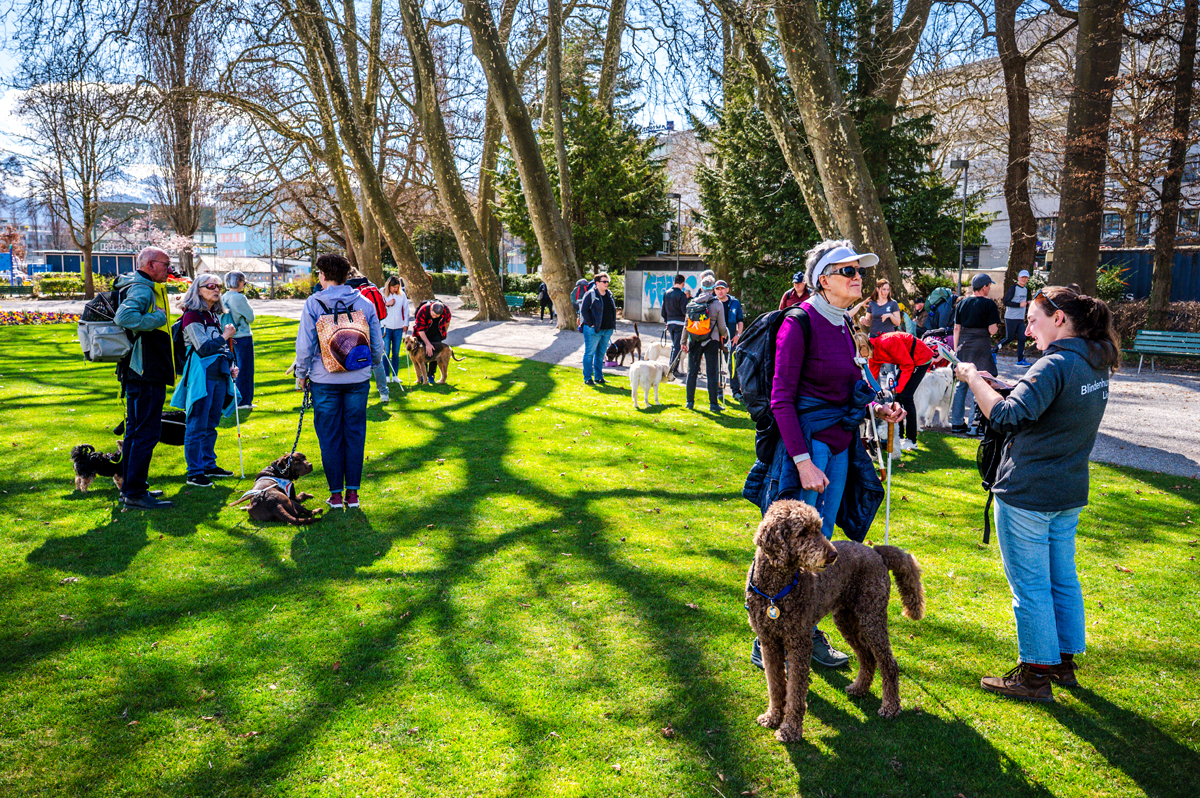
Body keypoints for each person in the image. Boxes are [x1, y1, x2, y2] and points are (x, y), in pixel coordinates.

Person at [954, 286, 1118, 702]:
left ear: (1058, 318)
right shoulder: (1095, 361)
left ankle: (1035, 674)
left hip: (1028, 492)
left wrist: (974, 380)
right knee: (1061, 579)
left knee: (1031, 586)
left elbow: (1008, 416)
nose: (1027, 331)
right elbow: (1050, 403)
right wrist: (1007, 383)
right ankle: (1062, 661)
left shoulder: (1056, 364)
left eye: (1033, 320)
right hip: (1067, 491)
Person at [750, 239, 905, 669]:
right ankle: (765, 640)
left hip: (839, 446)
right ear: (823, 280)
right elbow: (781, 400)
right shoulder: (798, 324)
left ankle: (806, 629)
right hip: (809, 447)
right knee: (786, 547)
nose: (859, 279)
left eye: (859, 271)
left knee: (819, 545)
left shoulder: (842, 323)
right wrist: (802, 461)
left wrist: (880, 406)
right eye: (848, 272)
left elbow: (849, 385)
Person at [294, 253, 384, 510]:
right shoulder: (365, 303)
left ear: (323, 275)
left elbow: (306, 343)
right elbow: (376, 341)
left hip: (324, 380)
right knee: (355, 434)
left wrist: (302, 373)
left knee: (330, 435)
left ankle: (335, 494)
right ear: (347, 276)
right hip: (358, 378)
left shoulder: (314, 303)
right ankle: (352, 494)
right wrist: (373, 365)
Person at [113, 247, 178, 510]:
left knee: (135, 432)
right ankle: (136, 493)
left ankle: (130, 487)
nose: (169, 269)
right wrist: (156, 318)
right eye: (166, 264)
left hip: (137, 370)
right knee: (146, 433)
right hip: (145, 371)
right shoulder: (142, 288)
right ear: (150, 265)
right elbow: (124, 317)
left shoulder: (141, 285)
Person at [174, 273, 239, 488]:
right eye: (210, 285)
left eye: (218, 286)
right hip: (201, 376)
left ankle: (209, 464)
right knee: (197, 423)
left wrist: (230, 365)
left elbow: (218, 348)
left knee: (212, 423)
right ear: (198, 290)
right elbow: (203, 348)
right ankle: (194, 472)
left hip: (218, 374)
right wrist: (225, 336)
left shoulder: (213, 316)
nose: (216, 289)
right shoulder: (192, 315)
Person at [858, 331, 936, 451]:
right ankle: (900, 436)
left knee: (906, 396)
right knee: (898, 398)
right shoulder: (872, 353)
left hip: (920, 358)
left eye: (860, 353)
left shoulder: (887, 342)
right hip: (908, 361)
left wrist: (897, 388)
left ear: (864, 347)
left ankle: (911, 440)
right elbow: (872, 376)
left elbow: (908, 365)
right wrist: (866, 392)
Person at [950, 273, 1001, 434]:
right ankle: (974, 425)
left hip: (963, 345)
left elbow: (956, 328)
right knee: (979, 383)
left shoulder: (962, 303)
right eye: (989, 286)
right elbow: (992, 330)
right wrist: (995, 328)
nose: (990, 288)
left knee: (961, 384)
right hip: (981, 345)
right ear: (984, 287)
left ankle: (957, 423)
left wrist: (957, 350)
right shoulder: (989, 305)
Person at [682, 274, 728, 412]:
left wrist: (683, 341)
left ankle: (690, 402)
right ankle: (713, 404)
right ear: (713, 289)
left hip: (694, 340)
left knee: (692, 371)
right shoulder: (717, 304)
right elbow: (721, 327)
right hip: (711, 341)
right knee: (712, 372)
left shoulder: (692, 303)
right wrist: (725, 335)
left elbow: (686, 325)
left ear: (701, 288)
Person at [221, 271, 255, 410]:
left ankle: (232, 398)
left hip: (229, 336)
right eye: (243, 282)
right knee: (245, 368)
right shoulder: (239, 298)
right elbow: (250, 317)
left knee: (233, 367)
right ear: (239, 281)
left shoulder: (224, 296)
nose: (244, 284)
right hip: (242, 335)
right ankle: (244, 401)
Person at [580, 272, 617, 385]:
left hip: (607, 329)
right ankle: (587, 378)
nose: (606, 284)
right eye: (604, 281)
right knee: (589, 354)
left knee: (600, 354)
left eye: (607, 281)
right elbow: (584, 310)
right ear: (597, 283)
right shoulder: (591, 294)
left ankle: (599, 377)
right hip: (593, 330)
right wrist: (591, 324)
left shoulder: (609, 294)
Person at [996, 269, 1033, 366]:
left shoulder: (1025, 289)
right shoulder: (1013, 288)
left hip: (1020, 319)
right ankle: (994, 351)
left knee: (1022, 338)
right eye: (1022, 277)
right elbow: (1006, 302)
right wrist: (1019, 304)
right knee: (1009, 338)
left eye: (1026, 278)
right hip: (1011, 317)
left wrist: (1028, 303)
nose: (1024, 279)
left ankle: (1020, 360)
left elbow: (1023, 303)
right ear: (1018, 278)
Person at [715, 280, 745, 400]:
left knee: (732, 366)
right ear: (714, 291)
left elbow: (740, 320)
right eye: (717, 289)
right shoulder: (713, 302)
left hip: (731, 339)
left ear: (727, 290)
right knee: (716, 366)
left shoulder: (734, 302)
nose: (720, 291)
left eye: (722, 288)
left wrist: (738, 335)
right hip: (716, 339)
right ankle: (717, 391)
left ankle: (736, 391)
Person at [381, 276, 411, 383]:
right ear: (388, 285)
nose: (395, 289)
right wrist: (387, 304)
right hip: (386, 327)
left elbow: (406, 310)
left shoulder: (401, 295)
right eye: (393, 287)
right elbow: (378, 308)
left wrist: (405, 324)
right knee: (386, 352)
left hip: (398, 328)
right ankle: (386, 376)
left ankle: (395, 376)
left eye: (397, 287)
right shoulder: (381, 292)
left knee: (396, 353)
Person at [413, 300, 452, 381]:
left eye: (437, 316)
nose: (435, 317)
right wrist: (427, 344)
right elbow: (420, 329)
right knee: (422, 354)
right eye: (433, 315)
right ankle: (422, 376)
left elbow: (447, 322)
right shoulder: (423, 310)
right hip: (423, 332)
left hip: (436, 332)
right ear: (431, 308)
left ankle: (431, 375)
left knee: (434, 353)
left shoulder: (446, 311)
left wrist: (444, 332)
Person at [661, 273, 689, 377]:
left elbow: (663, 311)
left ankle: (672, 368)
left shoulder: (666, 293)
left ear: (674, 282)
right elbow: (684, 311)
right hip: (680, 324)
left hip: (670, 323)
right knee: (677, 347)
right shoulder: (682, 295)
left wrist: (666, 322)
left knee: (675, 346)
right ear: (682, 283)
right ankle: (672, 370)